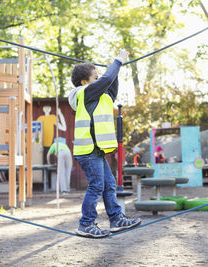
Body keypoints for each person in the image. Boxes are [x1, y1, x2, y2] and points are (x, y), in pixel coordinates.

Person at [68, 50, 141, 238]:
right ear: (85, 81)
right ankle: (85, 223)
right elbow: (106, 80)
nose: (99, 80)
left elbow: (110, 83)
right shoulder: (85, 93)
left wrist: (116, 67)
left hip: (97, 150)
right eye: (95, 77)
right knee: (97, 185)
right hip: (88, 150)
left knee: (109, 184)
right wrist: (117, 61)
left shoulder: (101, 96)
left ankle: (116, 219)